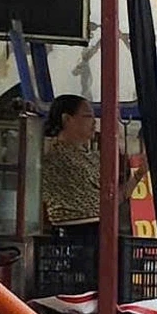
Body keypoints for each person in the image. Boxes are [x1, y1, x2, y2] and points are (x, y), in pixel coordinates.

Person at [40, 95, 101, 235]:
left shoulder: (91, 155)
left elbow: (111, 196)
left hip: (100, 228)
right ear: (67, 119)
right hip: (74, 232)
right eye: (87, 116)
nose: (94, 122)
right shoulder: (55, 156)